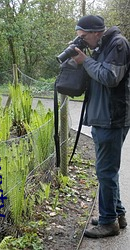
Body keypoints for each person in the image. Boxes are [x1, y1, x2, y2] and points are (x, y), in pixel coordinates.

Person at [72, 15, 130, 238]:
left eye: (84, 37)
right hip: (102, 117)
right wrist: (82, 60)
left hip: (112, 118)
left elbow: (109, 77)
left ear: (96, 32)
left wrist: (85, 61)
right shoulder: (101, 46)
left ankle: (108, 223)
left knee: (105, 171)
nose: (83, 41)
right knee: (107, 171)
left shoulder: (118, 44)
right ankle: (117, 214)